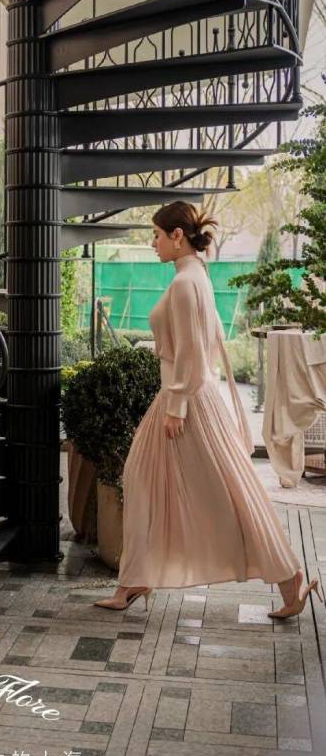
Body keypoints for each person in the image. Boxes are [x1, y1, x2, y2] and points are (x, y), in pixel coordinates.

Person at [94, 200, 322, 620]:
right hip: (186, 399)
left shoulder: (187, 282)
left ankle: (289, 577)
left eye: (157, 235)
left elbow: (194, 352)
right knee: (156, 482)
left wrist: (178, 404)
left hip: (186, 403)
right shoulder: (193, 276)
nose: (153, 243)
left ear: (177, 235)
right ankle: (135, 580)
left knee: (229, 493)